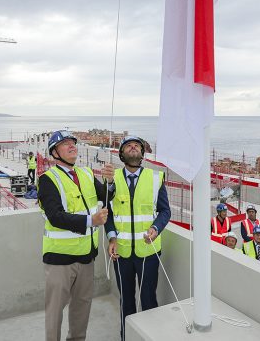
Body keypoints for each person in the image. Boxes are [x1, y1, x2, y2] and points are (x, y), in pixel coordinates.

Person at [38, 130, 110, 341]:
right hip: (60, 259)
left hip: (86, 256)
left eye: (73, 143)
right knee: (54, 312)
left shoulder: (86, 173)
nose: (72, 146)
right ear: (54, 152)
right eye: (65, 143)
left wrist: (110, 182)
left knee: (82, 307)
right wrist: (91, 221)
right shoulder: (48, 179)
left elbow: (107, 195)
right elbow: (55, 217)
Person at [104, 136, 171, 339]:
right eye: (128, 146)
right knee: (127, 300)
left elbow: (165, 211)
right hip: (121, 253)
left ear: (142, 154)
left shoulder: (155, 178)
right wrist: (112, 238)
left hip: (148, 252)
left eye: (137, 146)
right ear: (121, 154)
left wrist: (156, 228)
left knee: (148, 298)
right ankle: (127, 336)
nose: (133, 148)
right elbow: (107, 211)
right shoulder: (111, 178)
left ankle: (150, 336)